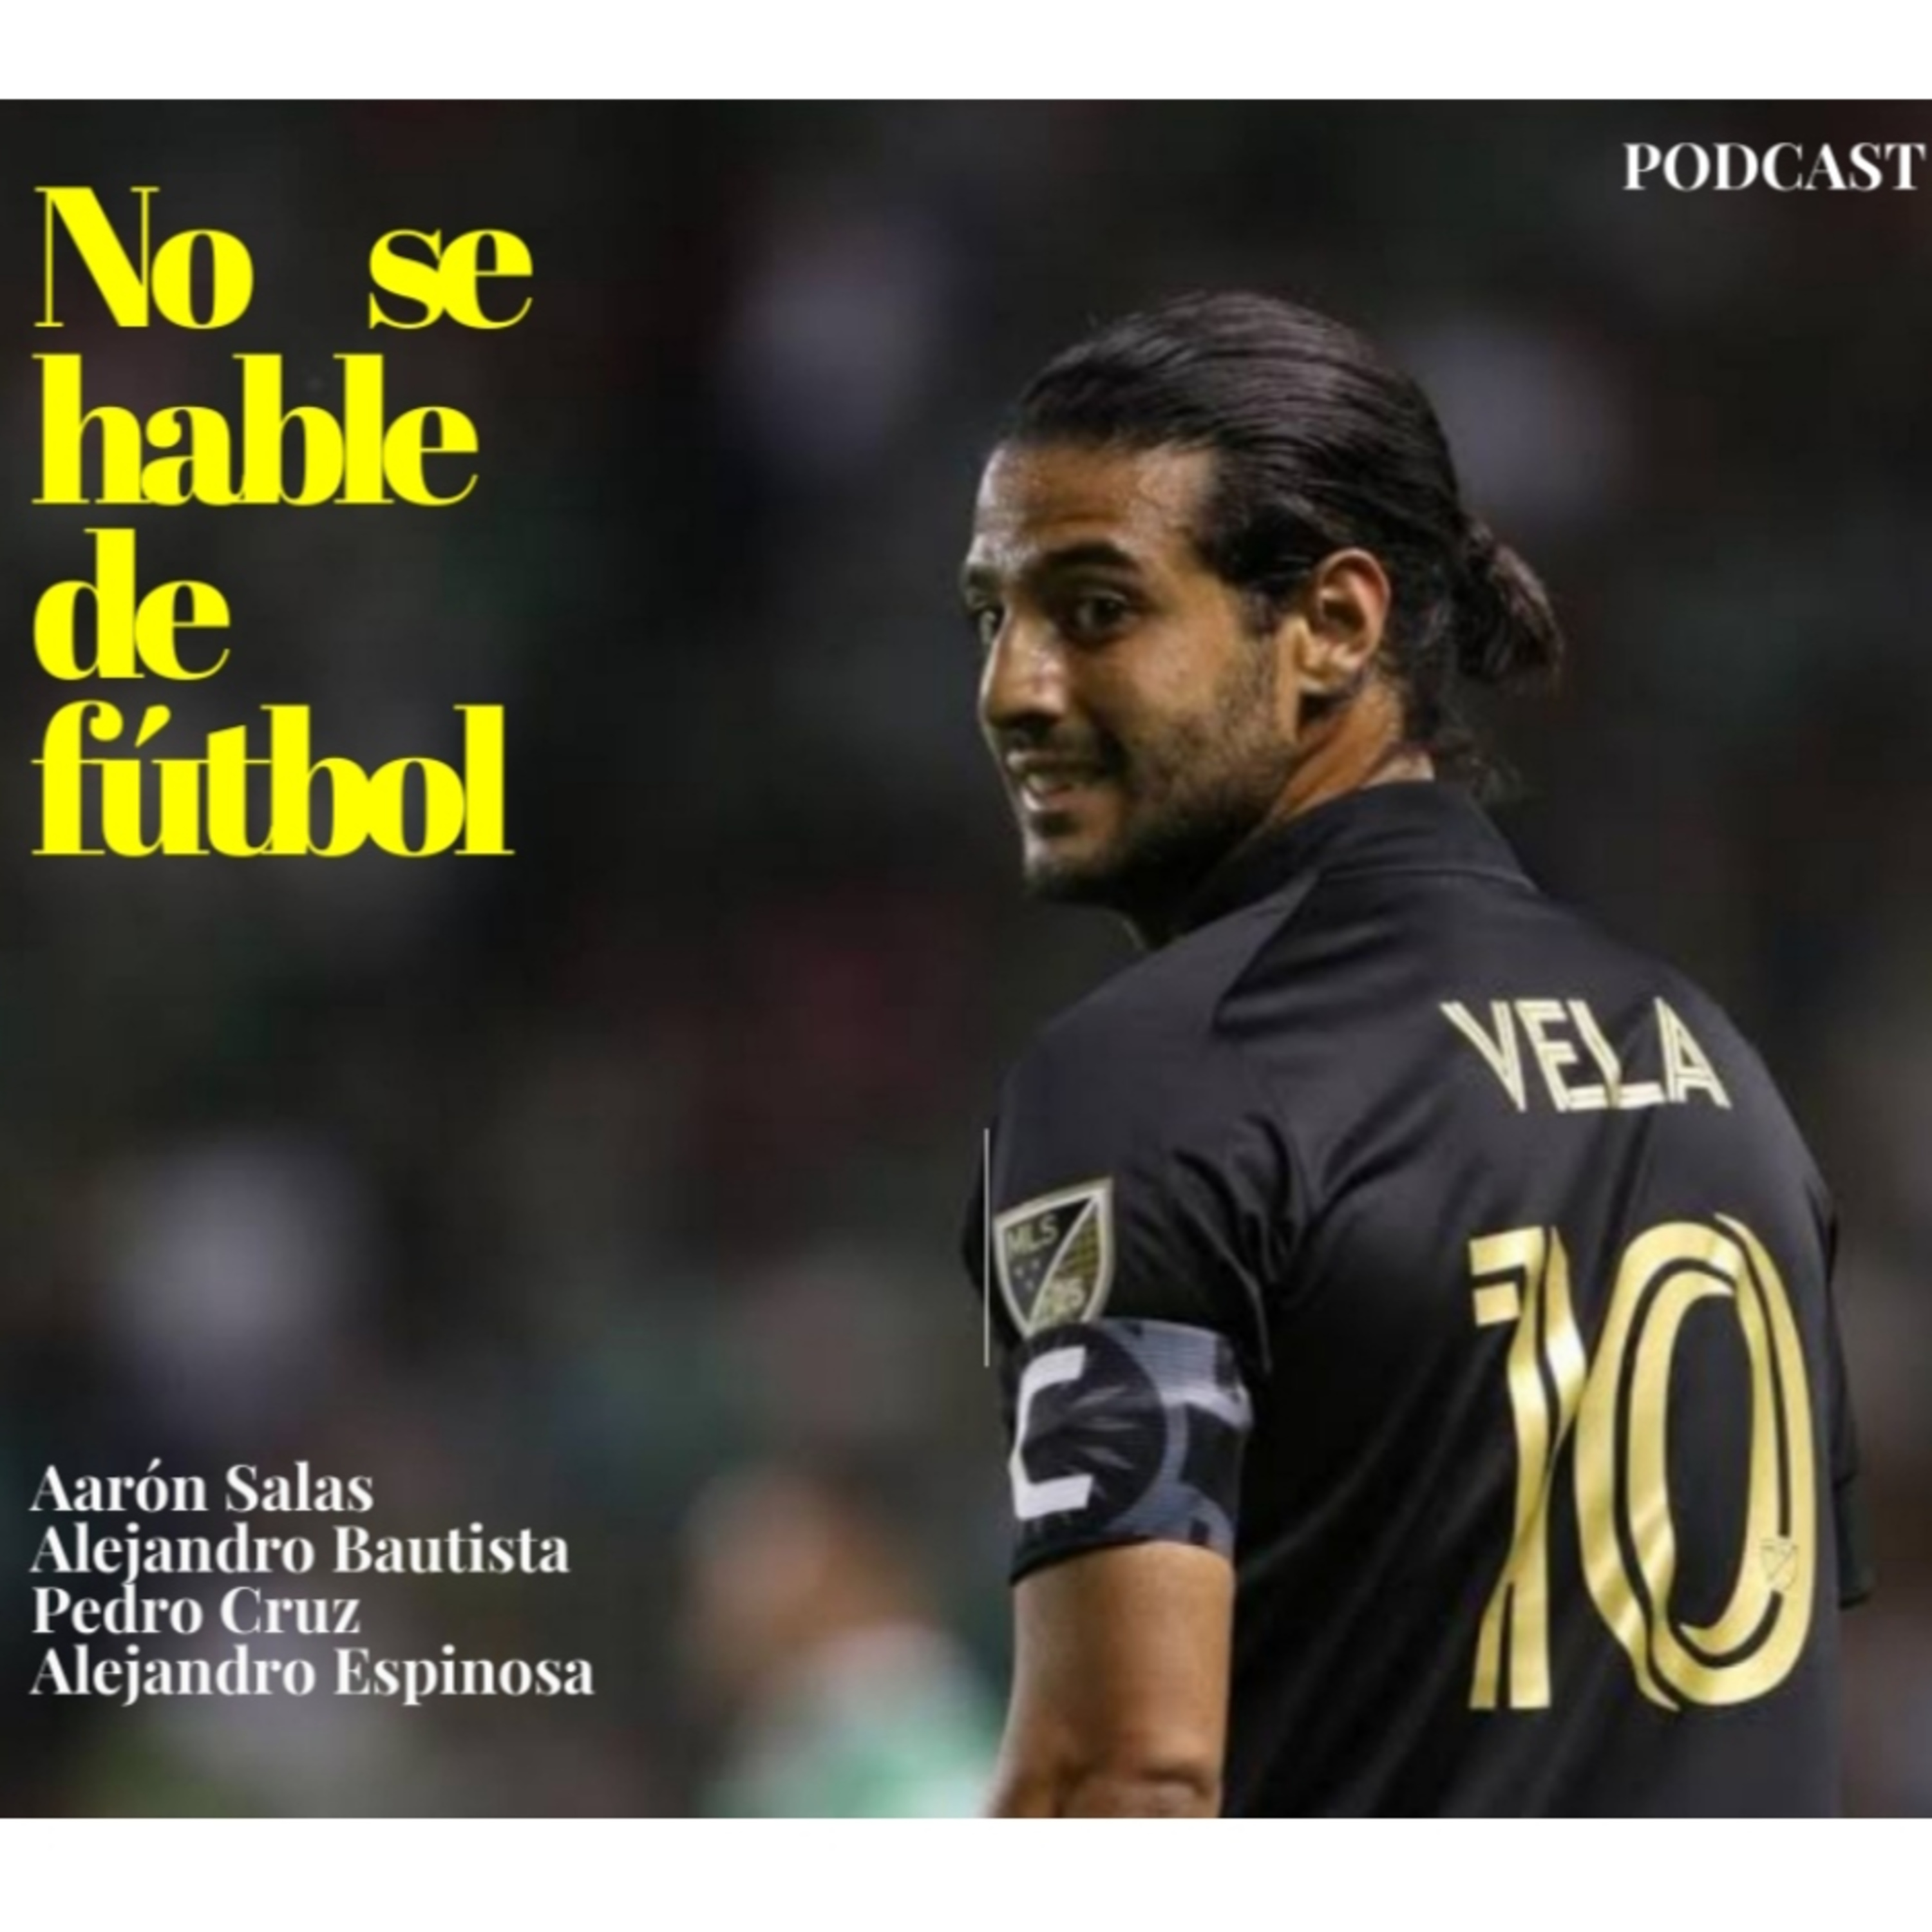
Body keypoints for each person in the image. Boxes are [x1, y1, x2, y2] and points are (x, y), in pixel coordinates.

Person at [956, 291, 1871, 1816]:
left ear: (1334, 625)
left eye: (1096, 611)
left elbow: (1119, 1777)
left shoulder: (1155, 1082)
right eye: (993, 618)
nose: (1013, 691)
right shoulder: (1721, 1076)